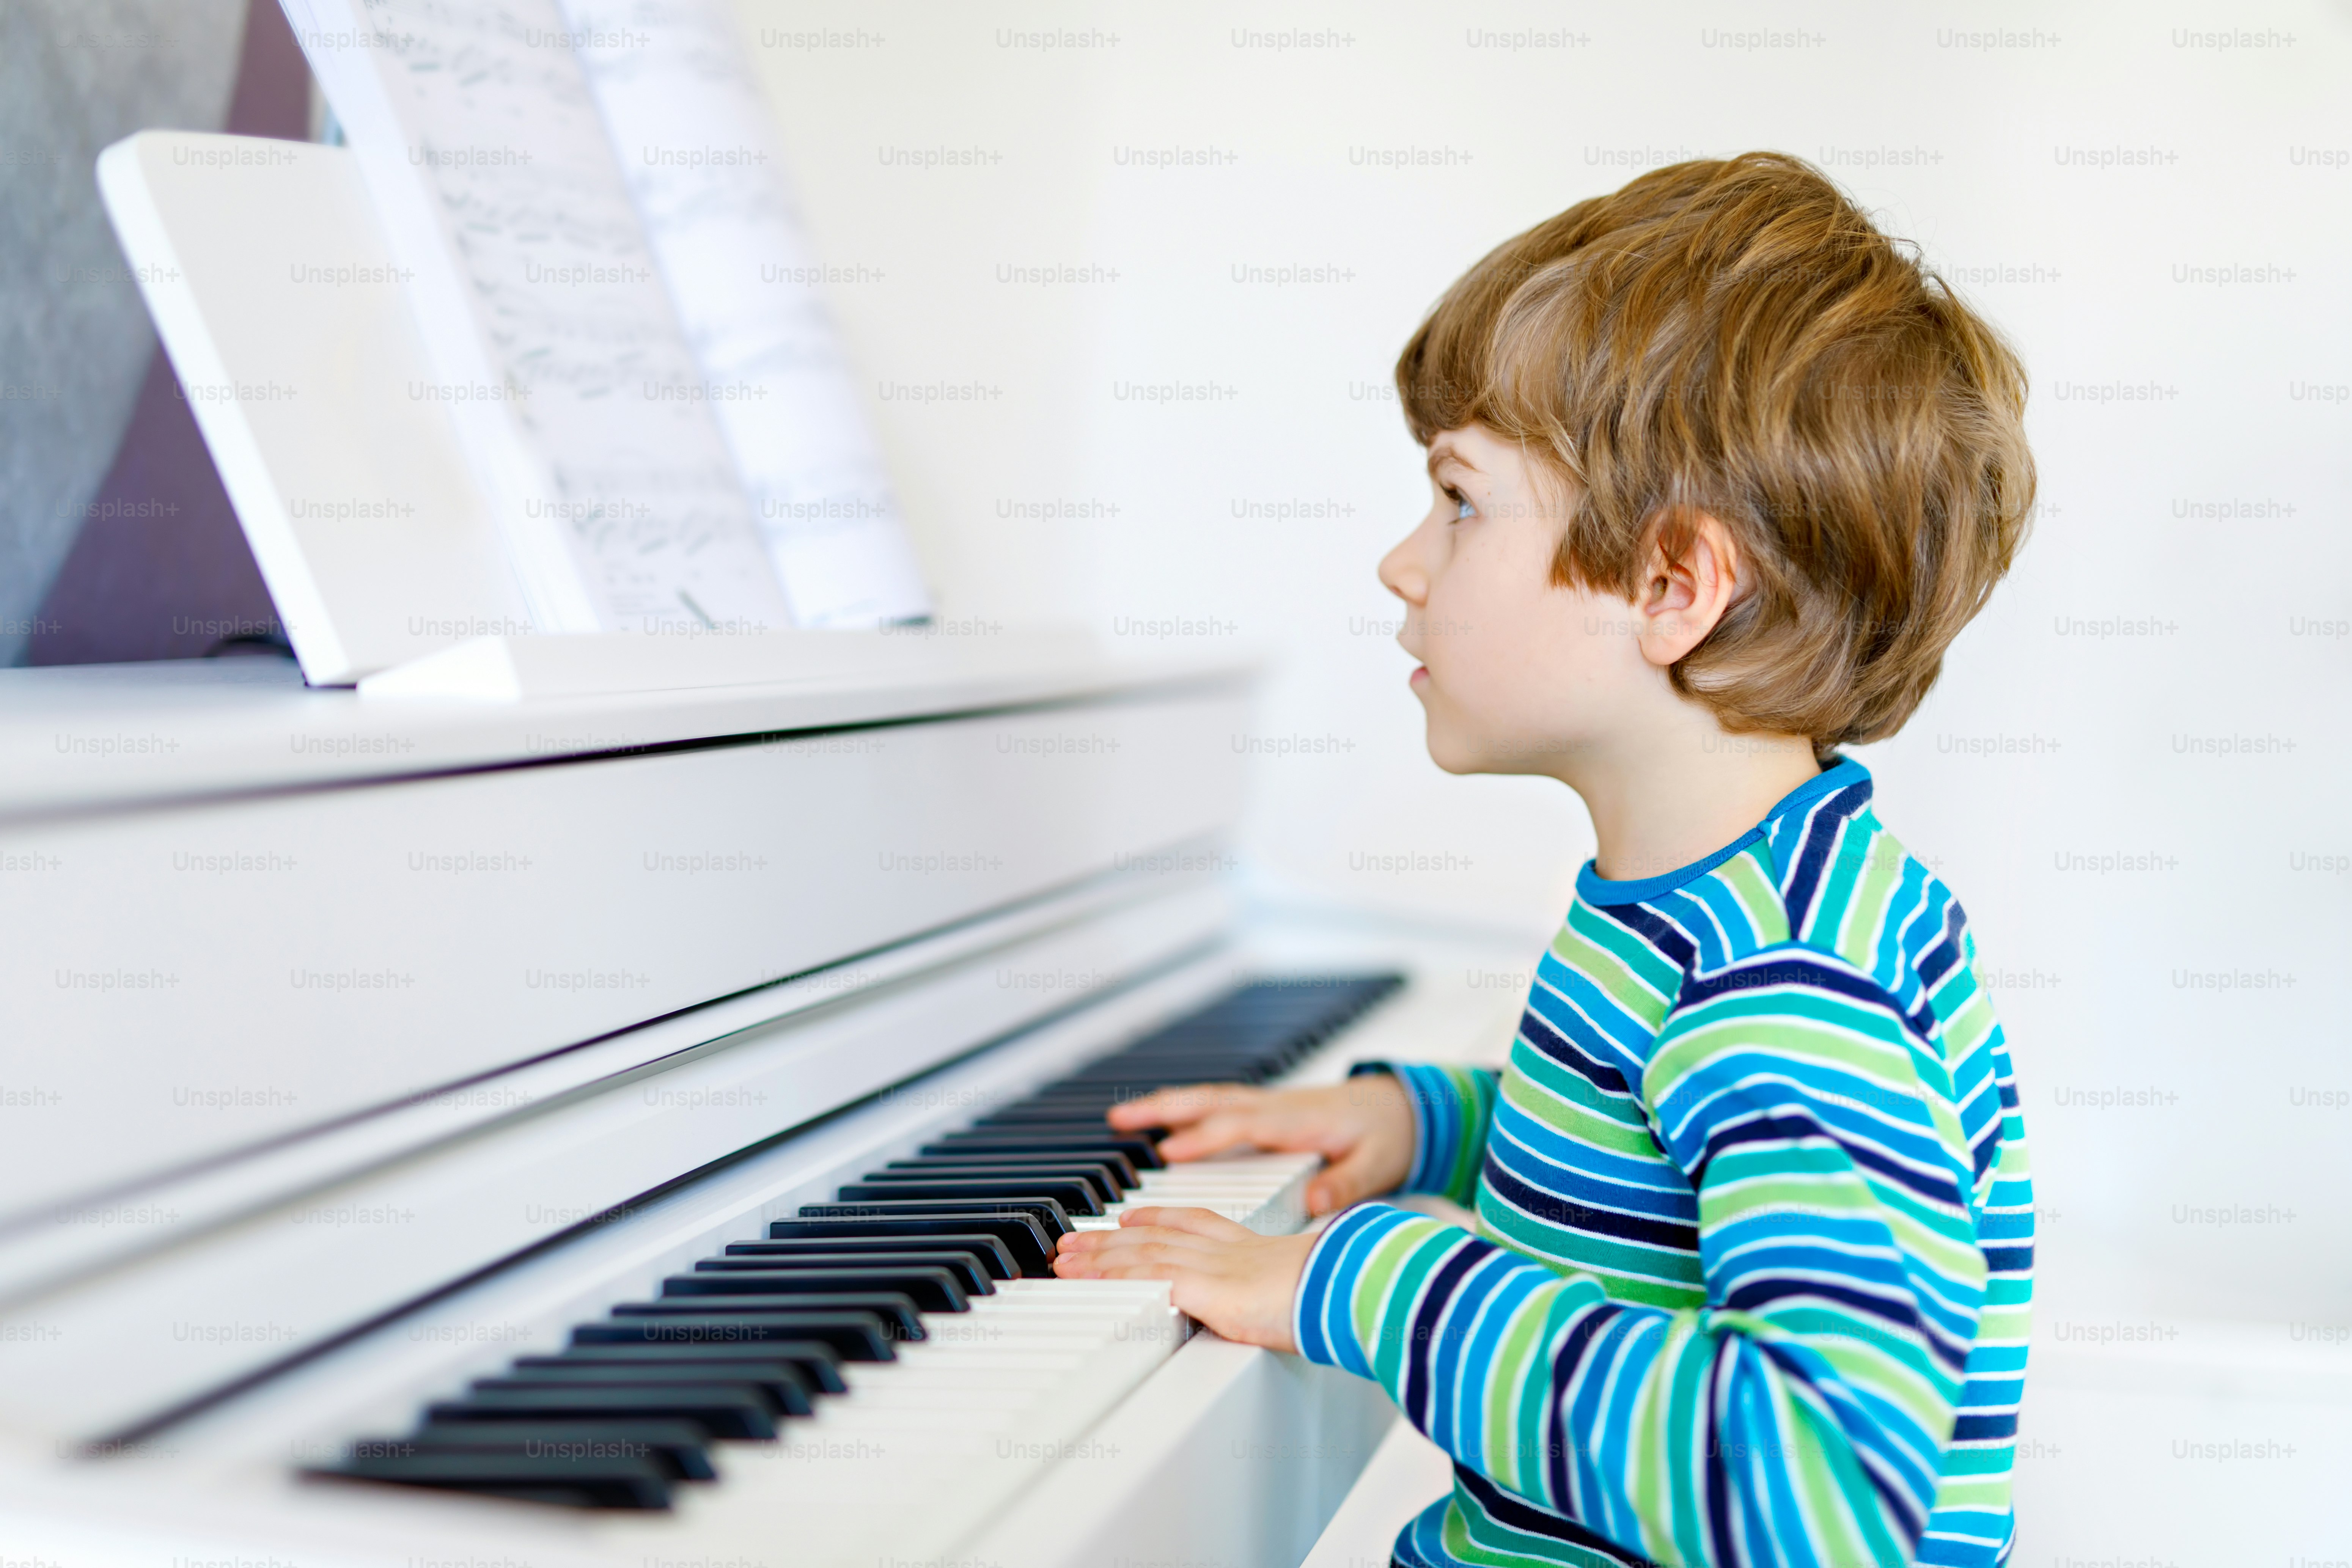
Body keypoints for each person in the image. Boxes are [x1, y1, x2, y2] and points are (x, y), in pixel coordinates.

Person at [1052, 152, 2037, 1568]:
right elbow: (1664, 1158)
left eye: (1459, 499)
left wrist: (1372, 1277)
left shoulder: (1786, 975)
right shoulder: (1730, 907)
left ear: (1670, 588)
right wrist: (1434, 1130)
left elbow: (1819, 1482)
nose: (1403, 563)